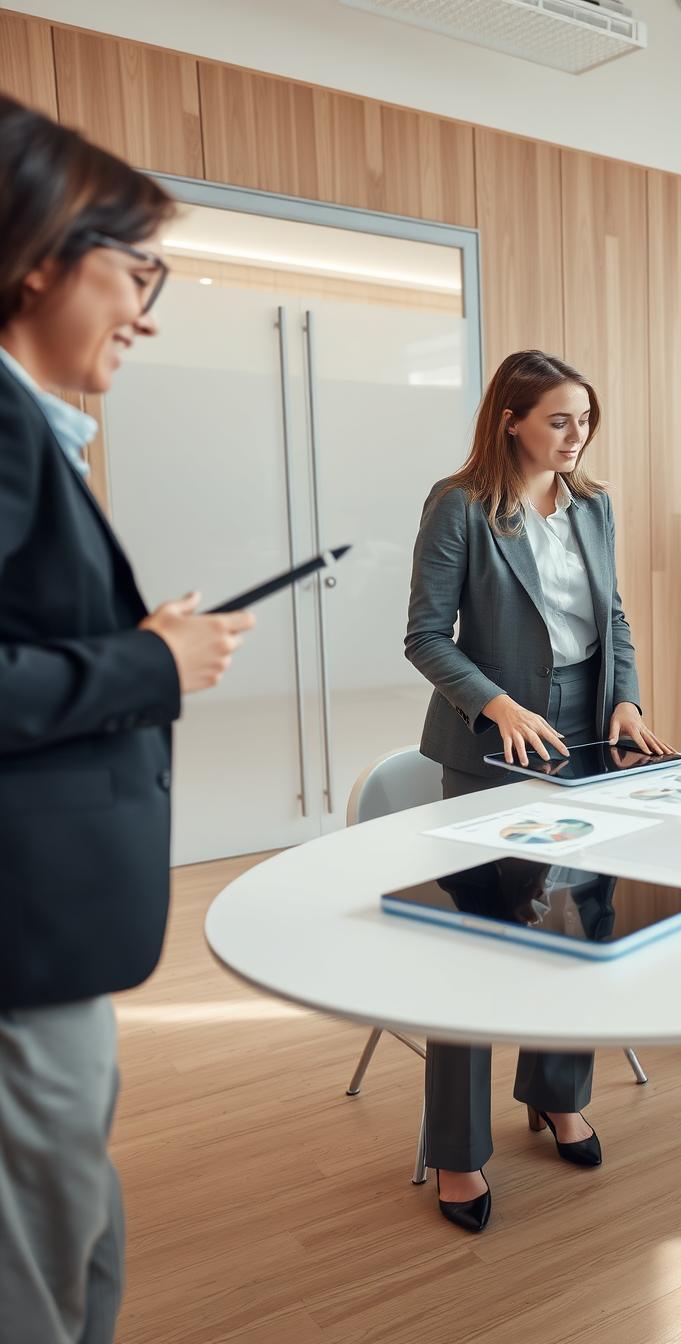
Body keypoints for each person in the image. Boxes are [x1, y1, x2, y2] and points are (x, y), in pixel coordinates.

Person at [0, 95, 255, 1344]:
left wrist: (130, 645)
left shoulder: (35, 434)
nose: (148, 313)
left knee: (75, 1239)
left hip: (47, 939)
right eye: (136, 270)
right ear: (41, 253)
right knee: (40, 1274)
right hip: (17, 943)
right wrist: (150, 664)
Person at [405, 348, 669, 1232]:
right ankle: (455, 1149)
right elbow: (424, 637)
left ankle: (557, 1095)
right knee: (473, 943)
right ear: (511, 419)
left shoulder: (593, 504)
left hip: (589, 727)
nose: (576, 435)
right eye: (559, 419)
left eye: (584, 419)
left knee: (578, 920)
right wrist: (497, 703)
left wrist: (627, 699)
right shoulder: (460, 507)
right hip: (493, 740)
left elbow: (615, 616)